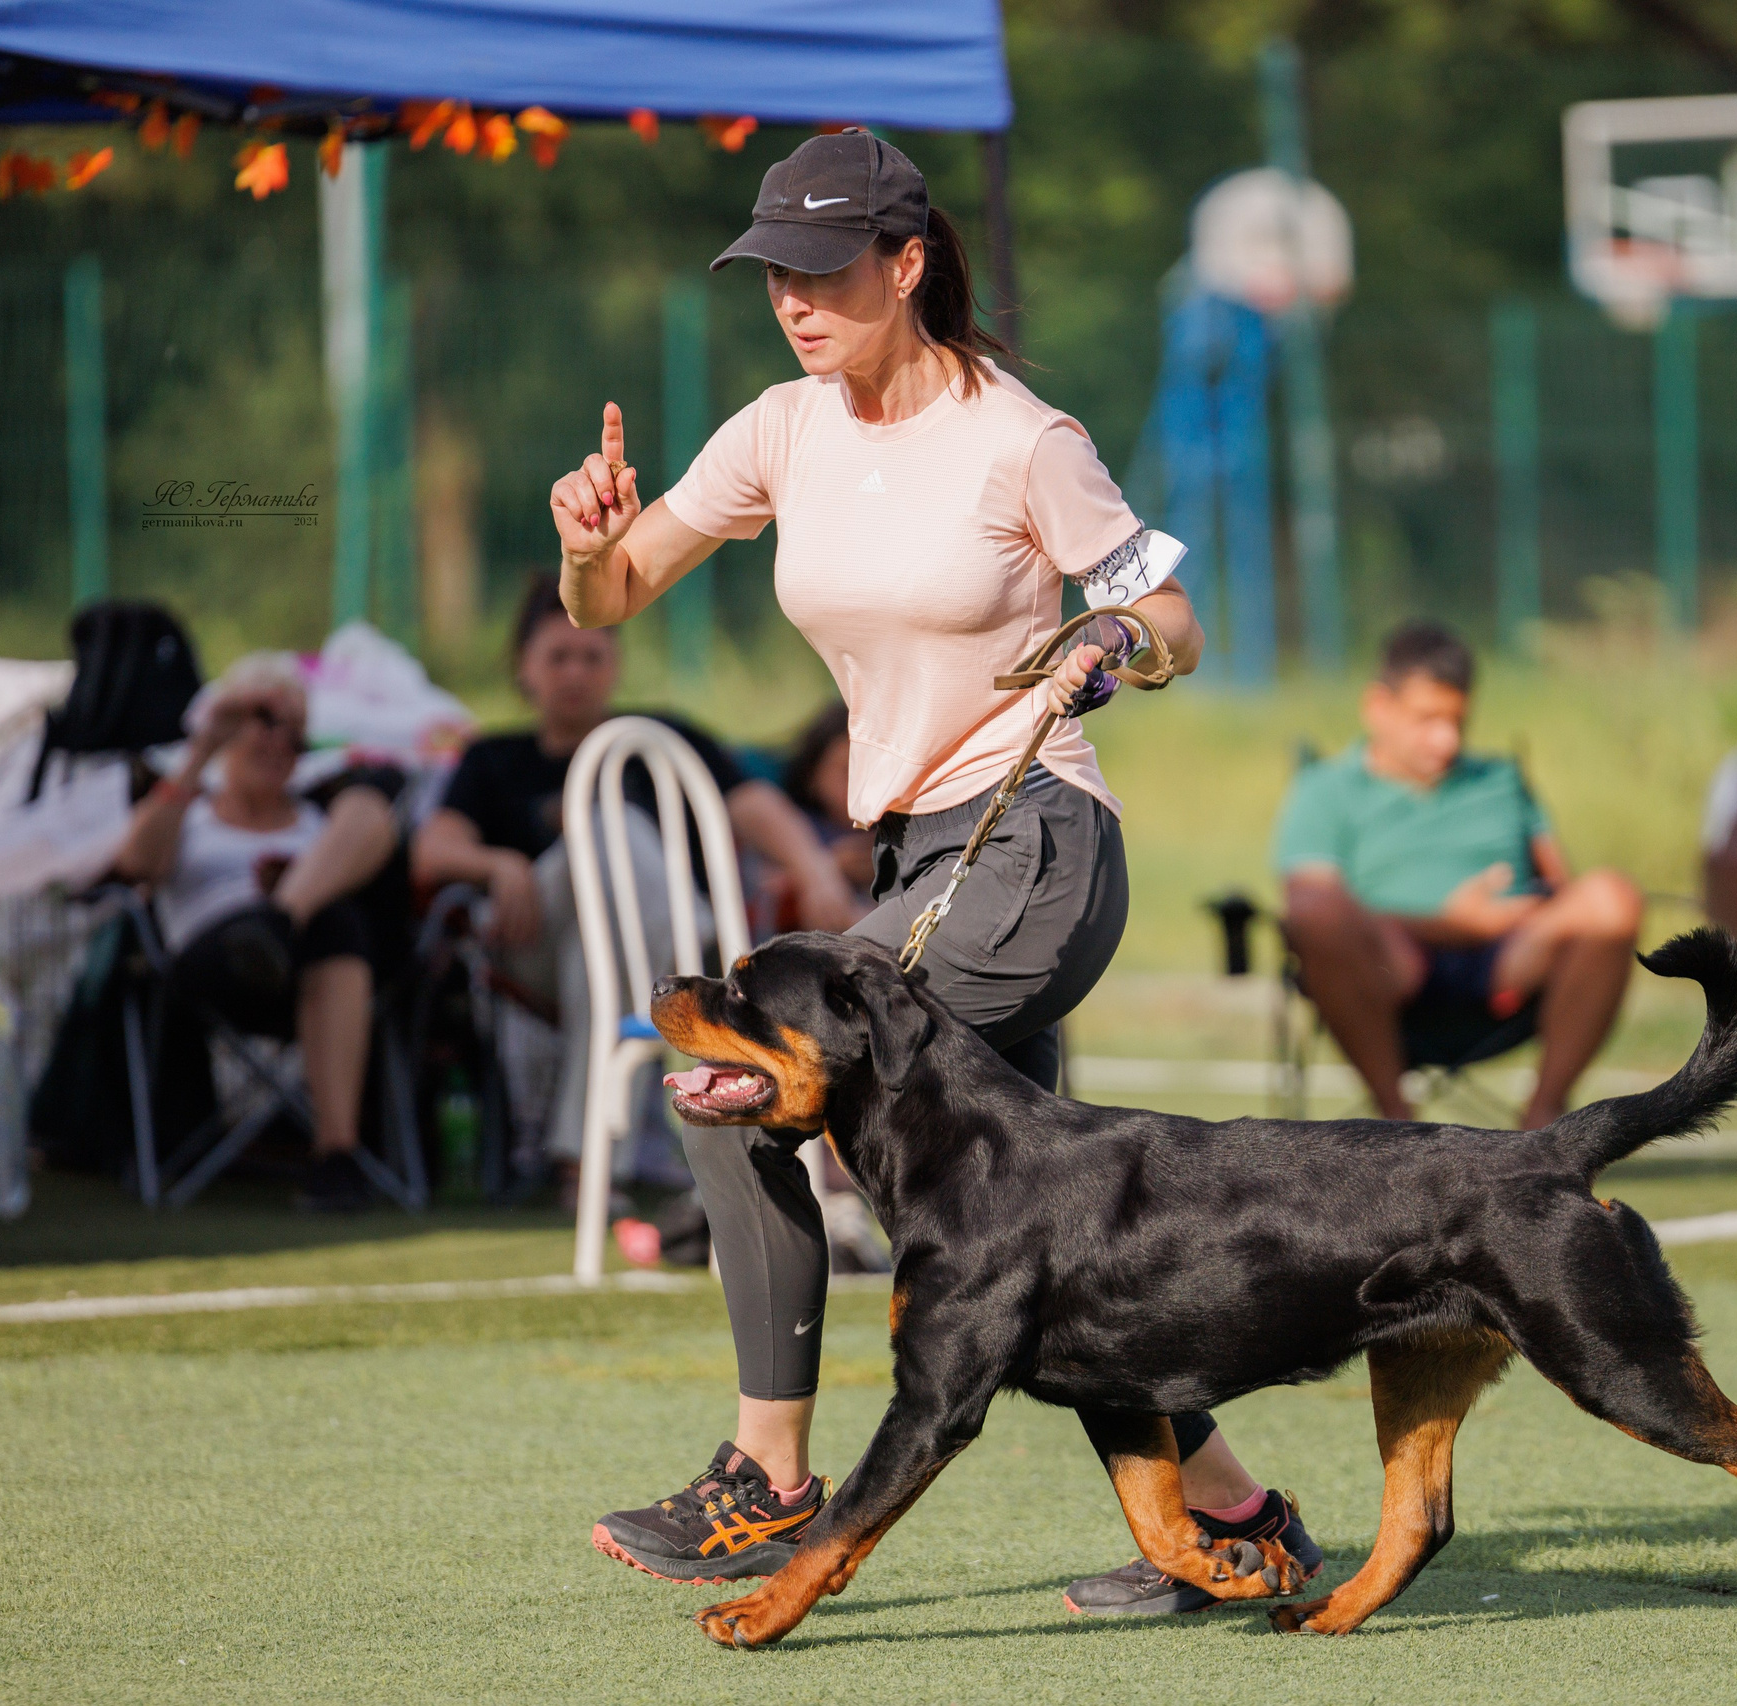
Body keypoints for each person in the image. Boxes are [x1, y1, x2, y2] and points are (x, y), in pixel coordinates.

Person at [550, 128, 1320, 1617]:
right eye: (774, 268)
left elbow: (1173, 619)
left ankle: (763, 1480)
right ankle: (1240, 1520)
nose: (794, 295)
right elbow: (620, 589)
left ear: (907, 265)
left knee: (728, 1077)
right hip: (922, 859)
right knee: (1015, 1227)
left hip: (1034, 841)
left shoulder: (1022, 437)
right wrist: (587, 547)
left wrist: (1109, 643)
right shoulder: (781, 428)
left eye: (825, 267)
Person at [410, 576, 860, 1208]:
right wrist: (498, 865)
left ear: (614, 664)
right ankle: (693, 957)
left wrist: (813, 871)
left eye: (592, 656)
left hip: (631, 956)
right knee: (608, 821)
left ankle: (585, 1164)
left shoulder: (663, 736)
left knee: (609, 945)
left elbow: (753, 805)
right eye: (557, 657)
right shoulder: (493, 759)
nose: (575, 673)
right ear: (524, 669)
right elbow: (431, 852)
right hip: (536, 945)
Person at [1276, 621, 1646, 1128]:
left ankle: (1543, 1124)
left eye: (1458, 721)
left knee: (1612, 899)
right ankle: (1397, 1120)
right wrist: (1448, 923)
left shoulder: (1501, 781)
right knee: (1314, 912)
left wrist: (1515, 916)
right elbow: (1306, 901)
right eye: (1427, 720)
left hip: (1509, 964)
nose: (1446, 741)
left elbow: (1563, 888)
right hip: (1390, 971)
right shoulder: (1326, 789)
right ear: (1377, 707)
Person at [108, 651, 407, 1211]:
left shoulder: (320, 819)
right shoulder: (189, 812)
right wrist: (202, 750)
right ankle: (270, 929)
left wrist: (288, 894)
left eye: (294, 733)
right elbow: (135, 865)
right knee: (331, 927)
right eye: (264, 721)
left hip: (305, 965)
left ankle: (335, 1152)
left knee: (342, 909)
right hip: (209, 963)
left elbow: (376, 827)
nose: (278, 742)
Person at [778, 700, 875, 907]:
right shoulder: (789, 828)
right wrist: (828, 867)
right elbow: (766, 890)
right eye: (847, 771)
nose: (863, 784)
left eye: (873, 771)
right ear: (811, 777)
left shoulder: (907, 832)